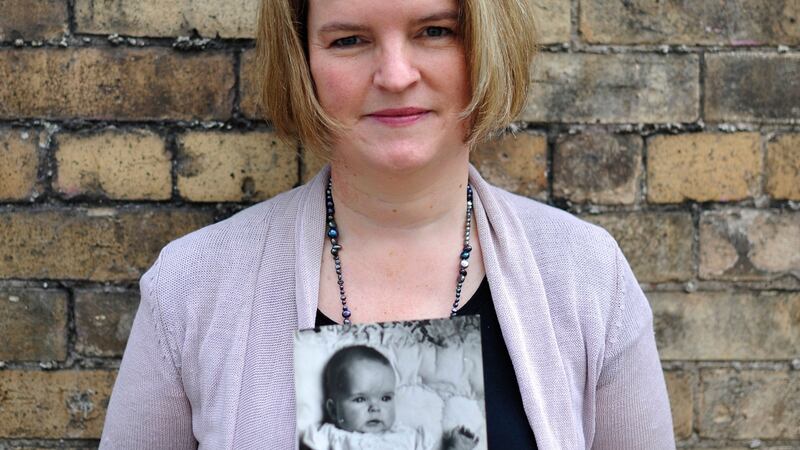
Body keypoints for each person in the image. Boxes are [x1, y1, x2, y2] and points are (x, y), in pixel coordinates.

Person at [100, 0, 676, 448]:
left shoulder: (587, 277)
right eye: (350, 40)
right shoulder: (193, 288)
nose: (396, 75)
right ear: (304, 62)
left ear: (486, 42)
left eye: (435, 31)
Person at [300, 345, 479, 450]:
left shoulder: (409, 437)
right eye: (360, 399)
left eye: (385, 398)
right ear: (332, 409)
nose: (375, 408)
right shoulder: (330, 437)